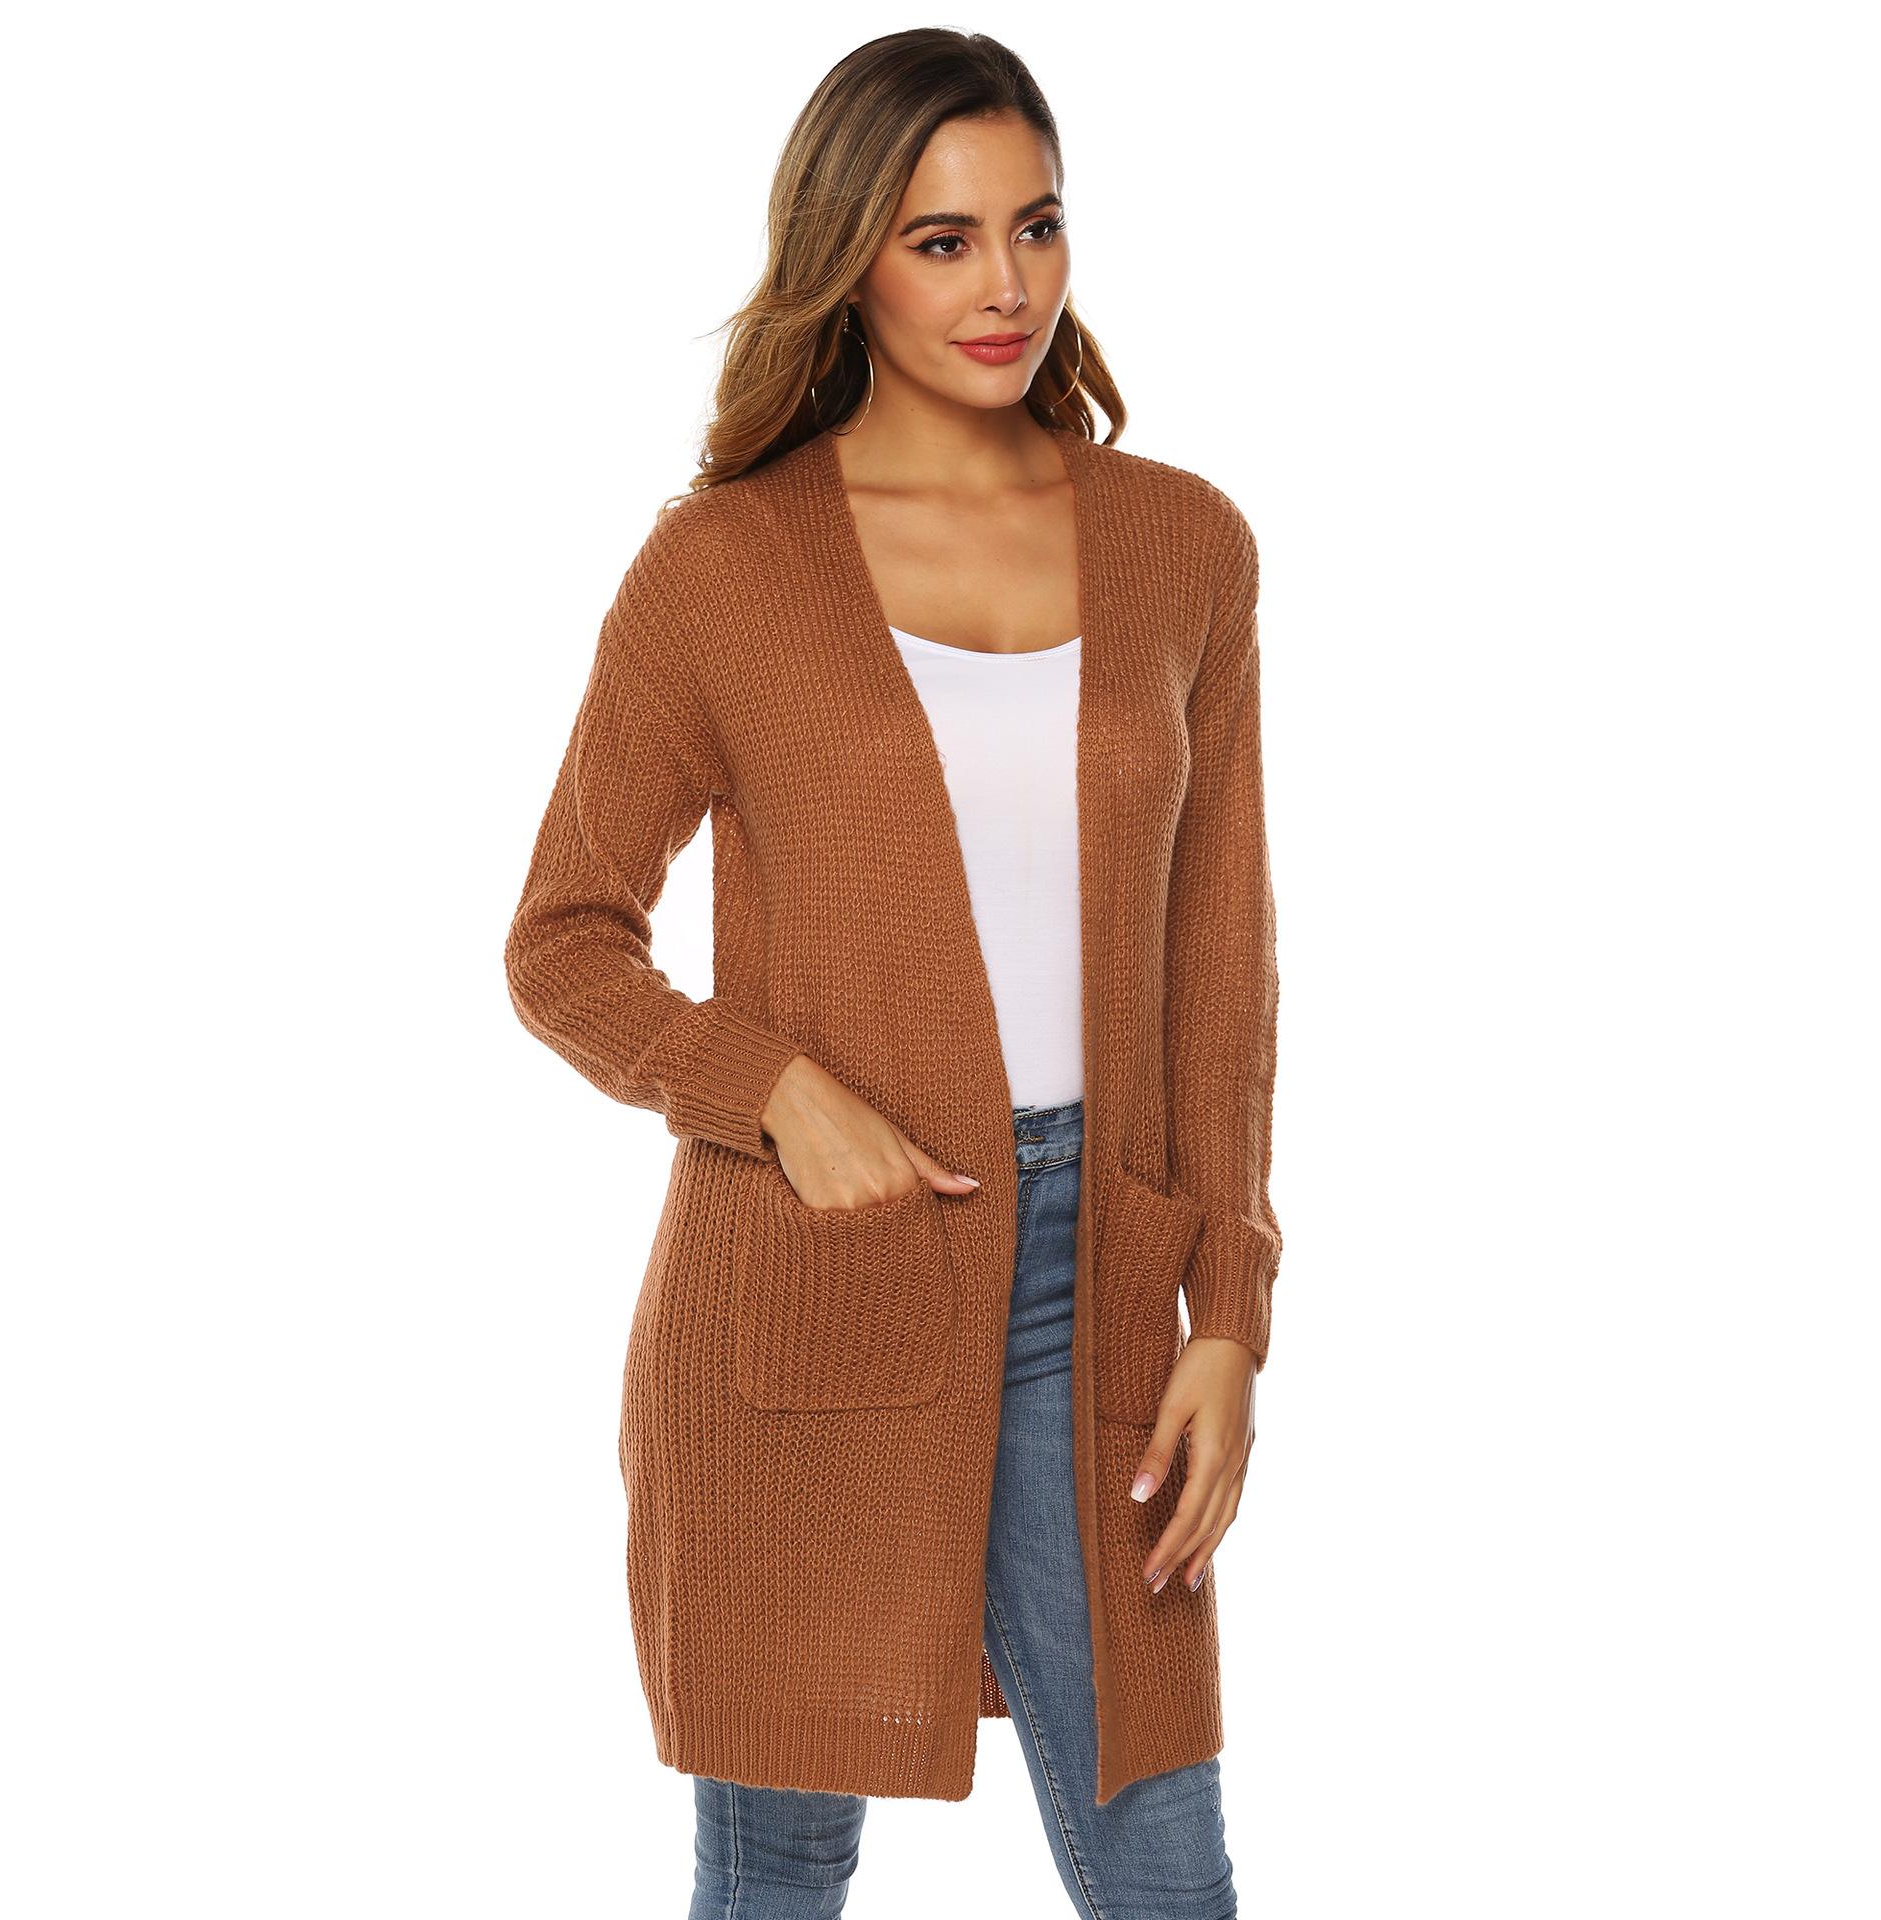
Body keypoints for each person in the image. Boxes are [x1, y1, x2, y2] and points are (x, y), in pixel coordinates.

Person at [504, 30, 1281, 1920]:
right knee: (777, 1870)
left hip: (1100, 1279)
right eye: (943, 242)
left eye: (1037, 225)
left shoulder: (1183, 544)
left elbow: (1220, 968)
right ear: (846, 258)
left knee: (1164, 1866)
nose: (1006, 284)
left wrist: (1233, 1309)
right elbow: (564, 938)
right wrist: (771, 1091)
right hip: (813, 1277)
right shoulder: (723, 567)